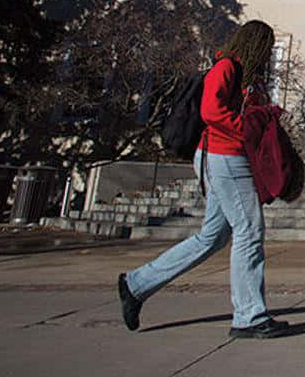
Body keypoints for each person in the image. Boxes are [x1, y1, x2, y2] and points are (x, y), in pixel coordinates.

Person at [117, 20, 291, 339]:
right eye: (265, 47)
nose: (267, 56)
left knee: (212, 237)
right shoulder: (226, 67)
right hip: (224, 156)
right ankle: (249, 316)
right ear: (253, 44)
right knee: (249, 230)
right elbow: (212, 112)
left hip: (228, 157)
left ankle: (136, 284)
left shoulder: (246, 76)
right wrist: (247, 128)